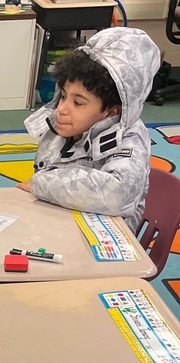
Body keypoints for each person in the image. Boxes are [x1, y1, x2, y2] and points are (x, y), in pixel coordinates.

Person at [18, 28, 161, 231]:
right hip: (60, 221)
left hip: (102, 239)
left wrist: (42, 184)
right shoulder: (62, 126)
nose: (62, 109)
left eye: (78, 103)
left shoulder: (130, 137)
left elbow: (117, 193)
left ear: (112, 112)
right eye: (64, 96)